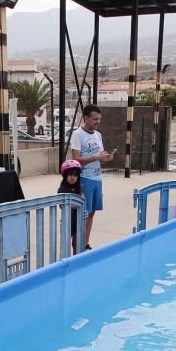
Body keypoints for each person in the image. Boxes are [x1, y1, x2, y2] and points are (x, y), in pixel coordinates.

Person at [69, 104, 113, 250]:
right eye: (95, 119)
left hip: (97, 179)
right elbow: (75, 159)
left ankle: (85, 243)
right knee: (82, 214)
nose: (97, 122)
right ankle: (77, 244)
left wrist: (105, 157)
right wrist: (95, 157)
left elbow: (99, 155)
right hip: (84, 179)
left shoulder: (98, 135)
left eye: (99, 119)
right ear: (86, 118)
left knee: (92, 213)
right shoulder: (78, 135)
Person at [57, 159, 84, 254]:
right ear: (65, 176)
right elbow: (61, 205)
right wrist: (75, 205)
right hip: (67, 220)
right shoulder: (62, 189)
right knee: (66, 243)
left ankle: (76, 259)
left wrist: (80, 204)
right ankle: (66, 260)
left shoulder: (79, 188)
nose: (73, 177)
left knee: (77, 242)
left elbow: (83, 201)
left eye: (75, 175)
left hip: (78, 220)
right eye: (70, 174)